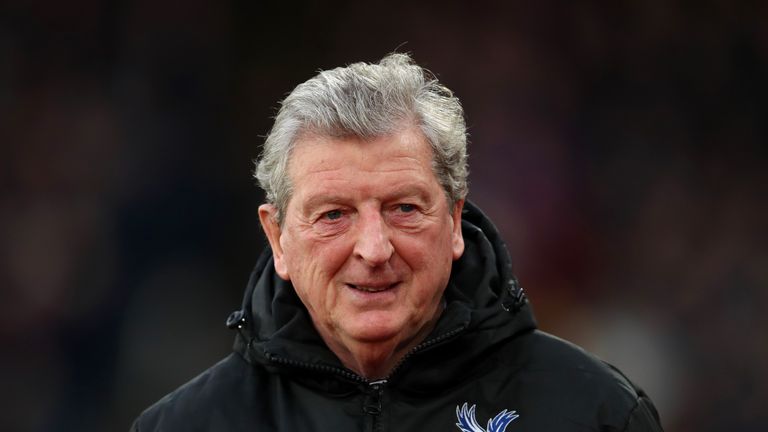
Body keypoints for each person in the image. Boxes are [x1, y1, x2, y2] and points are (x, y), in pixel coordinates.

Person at [131, 53, 664, 431]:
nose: (374, 248)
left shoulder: (598, 414)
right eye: (334, 214)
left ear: (455, 221)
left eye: (404, 209)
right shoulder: (181, 425)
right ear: (278, 237)